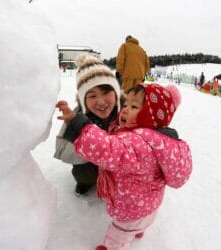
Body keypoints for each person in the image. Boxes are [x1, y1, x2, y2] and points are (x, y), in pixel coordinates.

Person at [56, 83, 192, 250]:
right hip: (149, 206)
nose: (125, 109)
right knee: (140, 222)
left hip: (131, 210)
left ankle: (114, 246)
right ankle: (139, 230)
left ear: (153, 115)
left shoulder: (138, 144)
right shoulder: (160, 140)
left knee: (119, 234)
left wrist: (78, 124)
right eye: (126, 104)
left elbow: (108, 148)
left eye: (134, 106)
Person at [54, 54, 122, 195]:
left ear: (116, 93)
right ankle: (86, 182)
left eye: (106, 92)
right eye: (92, 96)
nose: (101, 101)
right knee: (83, 173)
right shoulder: (77, 117)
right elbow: (62, 150)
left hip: (119, 163)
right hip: (91, 165)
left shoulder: (127, 113)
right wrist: (89, 142)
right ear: (83, 100)